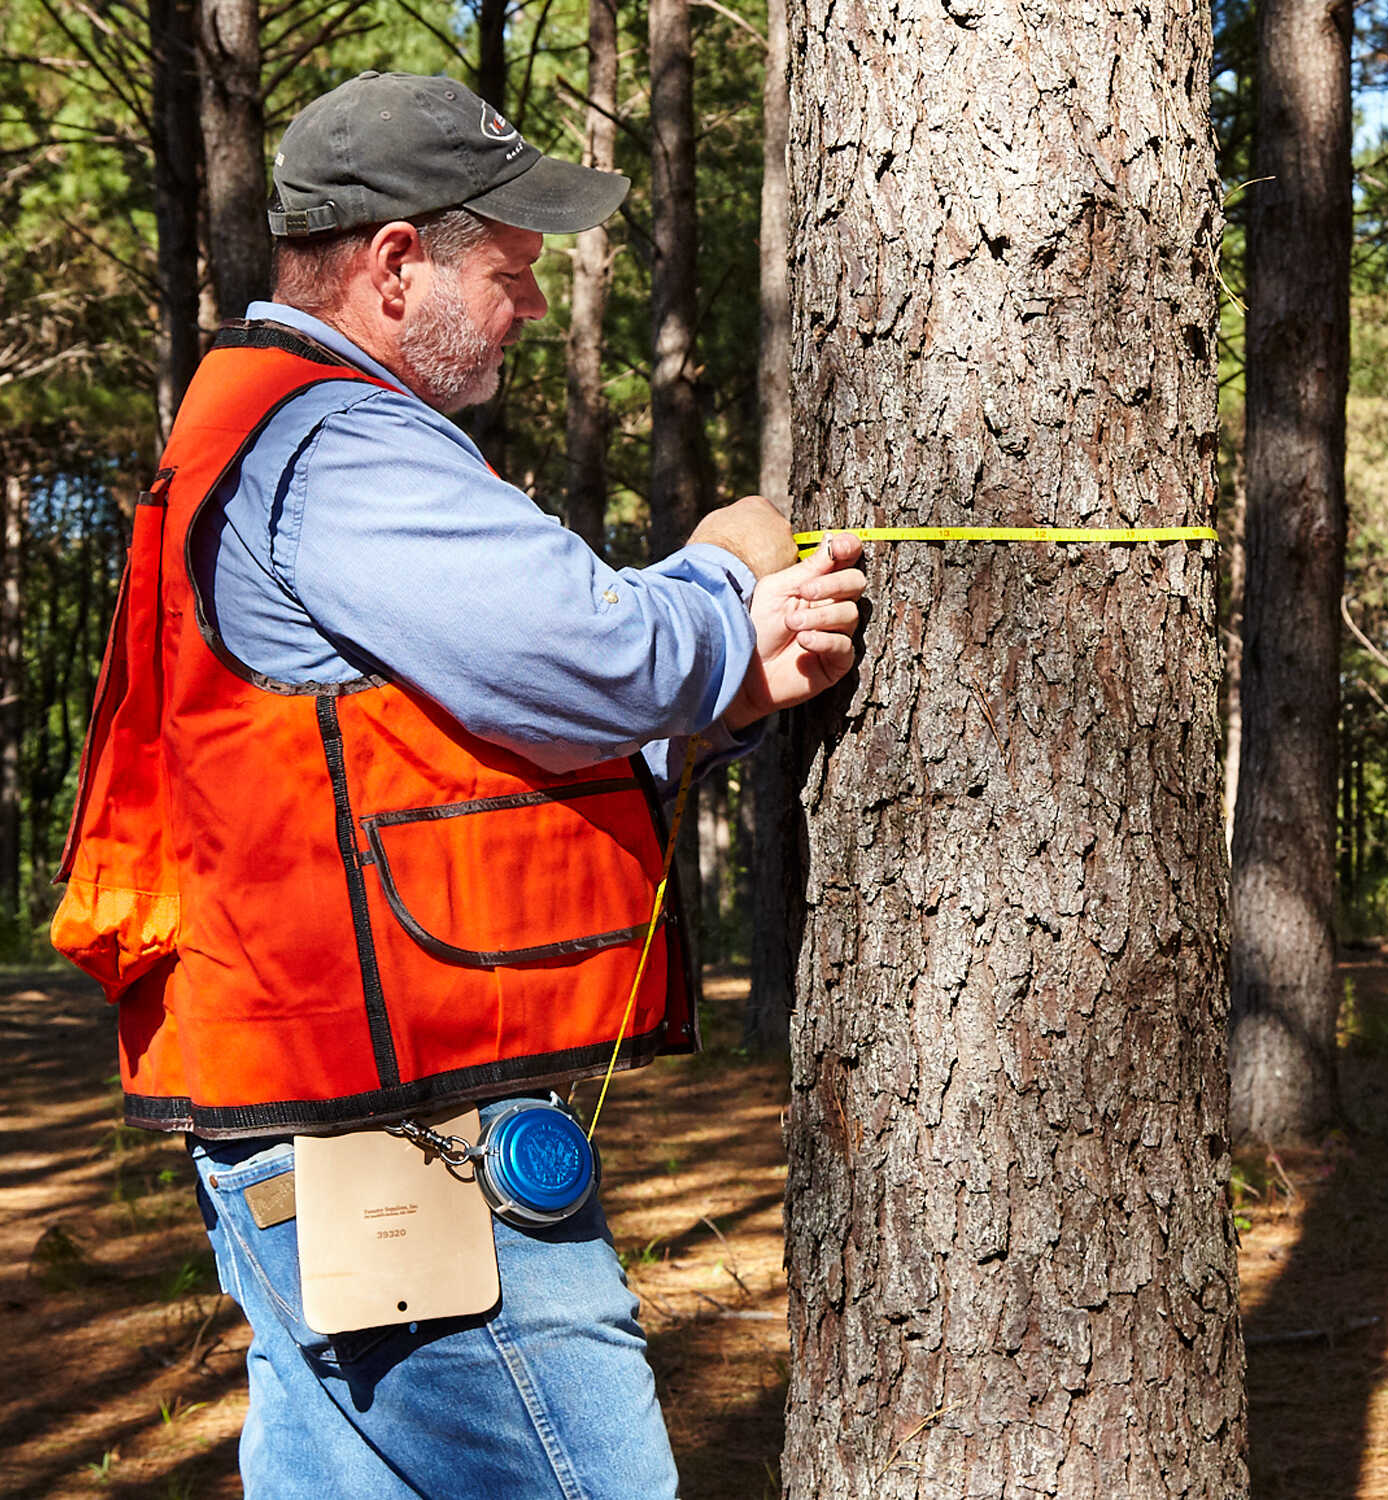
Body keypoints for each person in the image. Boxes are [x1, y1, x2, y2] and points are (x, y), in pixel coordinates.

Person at [53, 71, 865, 1498]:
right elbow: (598, 652)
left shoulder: (266, 430)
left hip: (323, 1118)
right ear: (392, 264)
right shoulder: (337, 445)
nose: (533, 309)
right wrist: (727, 572)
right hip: (396, 1144)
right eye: (509, 272)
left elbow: (472, 741)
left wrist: (733, 679)